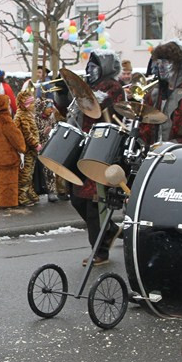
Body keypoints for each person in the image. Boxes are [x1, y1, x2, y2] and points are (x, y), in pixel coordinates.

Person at [67, 50, 123, 267]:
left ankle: (99, 250)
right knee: (77, 198)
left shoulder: (113, 88)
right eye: (89, 66)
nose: (90, 70)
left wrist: (94, 99)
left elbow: (113, 113)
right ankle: (109, 231)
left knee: (94, 203)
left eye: (95, 66)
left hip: (103, 150)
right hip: (85, 148)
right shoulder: (88, 88)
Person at [0, 93, 25, 208]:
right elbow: (15, 136)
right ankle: (7, 203)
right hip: (8, 156)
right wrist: (22, 147)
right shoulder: (6, 120)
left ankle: (0, 201)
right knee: (8, 182)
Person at [15, 87, 41, 206]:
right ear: (24, 105)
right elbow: (27, 133)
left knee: (30, 173)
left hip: (31, 149)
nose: (33, 105)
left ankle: (29, 192)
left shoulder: (28, 114)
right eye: (31, 103)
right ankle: (21, 196)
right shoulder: (22, 116)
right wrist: (36, 145)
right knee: (25, 174)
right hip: (27, 150)